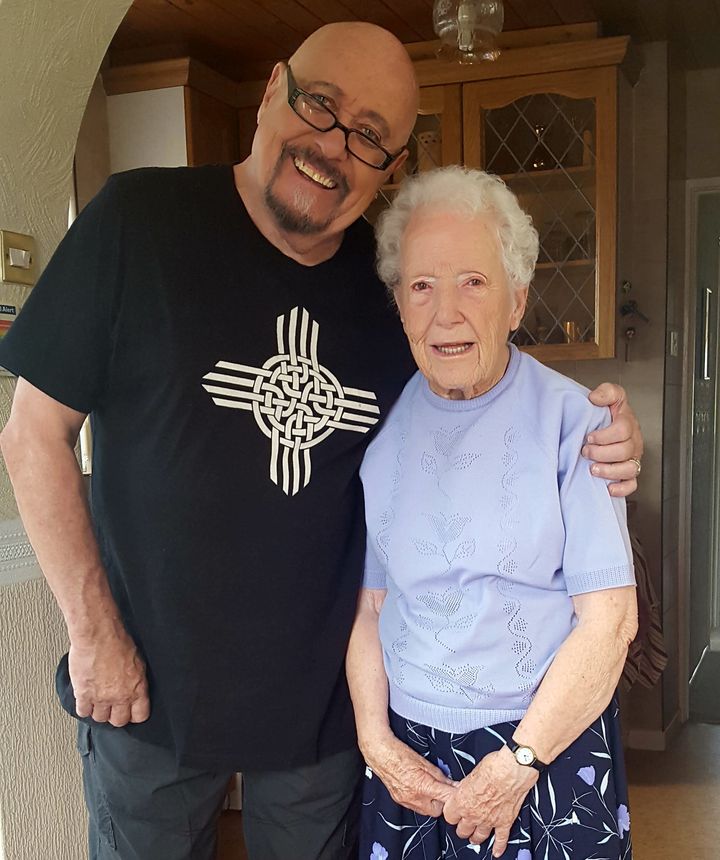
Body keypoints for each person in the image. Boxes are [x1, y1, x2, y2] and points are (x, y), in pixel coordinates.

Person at [0, 22, 642, 860]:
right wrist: (92, 636)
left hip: (322, 721)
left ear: (389, 166)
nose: (335, 146)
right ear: (272, 89)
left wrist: (600, 431)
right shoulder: (137, 222)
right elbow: (33, 435)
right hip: (145, 694)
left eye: (371, 136)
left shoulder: (387, 290)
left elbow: (478, 387)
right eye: (320, 105)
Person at [348, 165, 637, 860]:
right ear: (399, 304)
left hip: (546, 747)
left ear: (517, 301)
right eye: (422, 286)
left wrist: (520, 762)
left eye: (473, 282)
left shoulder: (576, 423)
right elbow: (369, 607)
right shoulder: (378, 430)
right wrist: (375, 740)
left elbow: (610, 622)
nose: (446, 313)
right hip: (409, 756)